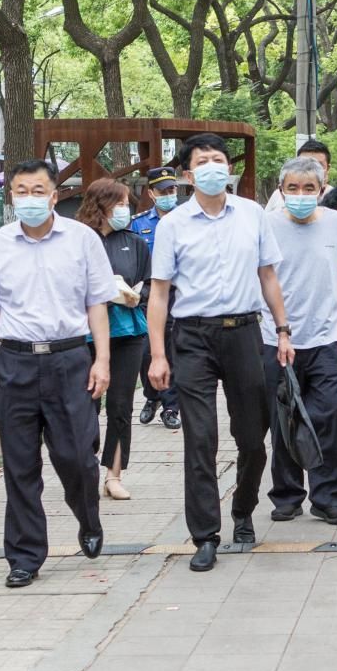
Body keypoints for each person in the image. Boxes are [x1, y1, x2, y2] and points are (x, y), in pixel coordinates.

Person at [0, 160, 114, 588]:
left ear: (54, 195)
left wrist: (101, 360)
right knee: (20, 464)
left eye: (38, 190)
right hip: (16, 364)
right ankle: (25, 555)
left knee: (77, 459)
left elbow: (96, 305)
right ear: (12, 196)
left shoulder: (82, 240)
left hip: (70, 361)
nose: (30, 198)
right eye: (21, 190)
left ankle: (88, 517)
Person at [148, 133, 294, 572]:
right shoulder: (173, 223)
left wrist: (283, 330)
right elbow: (159, 294)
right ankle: (205, 534)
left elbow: (268, 276)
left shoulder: (251, 215)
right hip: (192, 338)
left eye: (219, 160)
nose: (214, 167)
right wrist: (158, 354)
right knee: (200, 438)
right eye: (204, 162)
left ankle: (243, 508)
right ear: (188, 174)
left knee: (252, 438)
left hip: (246, 334)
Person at [260, 157, 337, 524]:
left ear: (321, 190)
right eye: (293, 188)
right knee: (285, 417)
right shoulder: (266, 225)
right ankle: (287, 495)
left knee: (331, 413)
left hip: (328, 338)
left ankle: (330, 496)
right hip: (276, 340)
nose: (301, 195)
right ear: (281, 190)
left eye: (309, 189)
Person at [78, 178, 151, 501]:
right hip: (85, 335)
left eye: (127, 204)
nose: (125, 210)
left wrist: (136, 294)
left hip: (128, 332)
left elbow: (150, 283)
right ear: (101, 204)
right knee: (85, 403)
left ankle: (114, 473)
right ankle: (85, 464)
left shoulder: (134, 242)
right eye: (119, 203)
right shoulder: (79, 240)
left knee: (121, 404)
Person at [131, 167, 182, 430]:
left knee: (171, 350)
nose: (168, 195)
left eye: (171, 190)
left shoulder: (186, 220)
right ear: (151, 193)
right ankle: (152, 396)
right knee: (146, 352)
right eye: (162, 191)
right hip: (147, 293)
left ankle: (171, 406)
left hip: (177, 292)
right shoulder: (138, 224)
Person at [265, 138, 332, 213]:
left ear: (328, 168)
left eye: (319, 165)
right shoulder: (278, 195)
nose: (312, 170)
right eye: (304, 163)